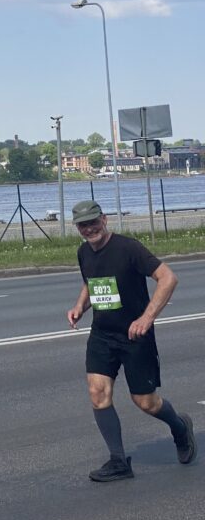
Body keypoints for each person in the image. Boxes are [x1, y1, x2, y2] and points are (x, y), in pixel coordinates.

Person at [66, 200, 196, 482]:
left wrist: (146, 318)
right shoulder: (83, 252)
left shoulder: (128, 248)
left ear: (104, 220)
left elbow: (168, 278)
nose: (89, 229)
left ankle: (180, 428)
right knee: (98, 393)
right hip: (102, 335)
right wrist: (80, 306)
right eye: (83, 225)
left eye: (93, 222)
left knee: (146, 402)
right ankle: (118, 461)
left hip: (135, 337)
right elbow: (91, 282)